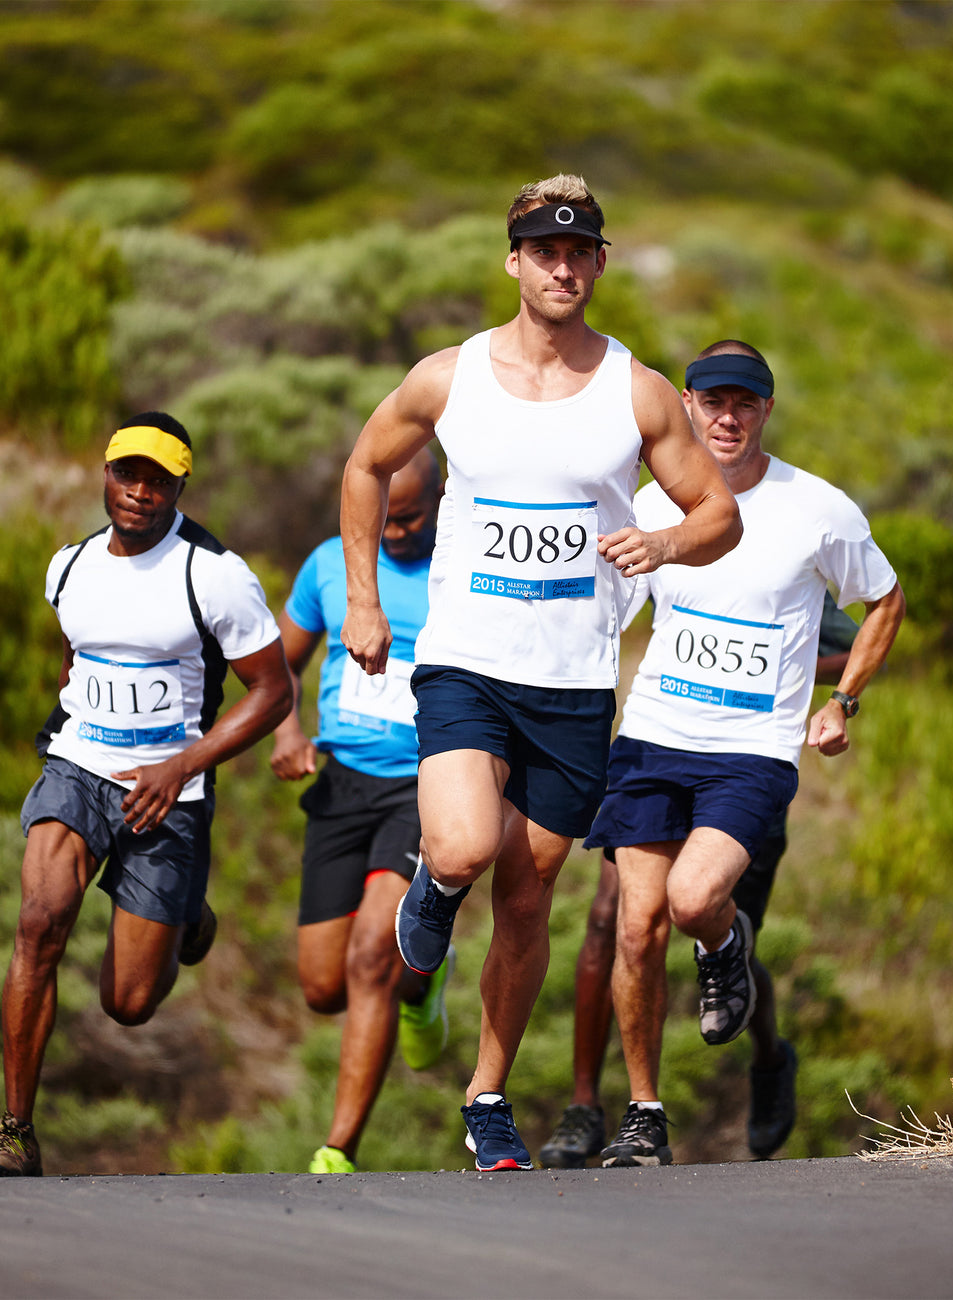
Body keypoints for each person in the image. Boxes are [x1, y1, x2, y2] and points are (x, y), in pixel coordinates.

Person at [338, 175, 741, 1172]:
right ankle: (430, 894)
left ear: (598, 262)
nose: (562, 267)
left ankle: (485, 1093)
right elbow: (362, 467)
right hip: (466, 664)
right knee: (465, 845)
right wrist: (362, 599)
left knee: (525, 902)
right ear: (513, 260)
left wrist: (666, 544)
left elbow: (717, 514)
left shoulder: (637, 389)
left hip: (570, 686)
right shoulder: (451, 377)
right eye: (543, 250)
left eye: (580, 251)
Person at [587, 341, 906, 1167]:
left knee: (696, 902)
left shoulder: (819, 509)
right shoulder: (651, 504)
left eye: (745, 404)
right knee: (634, 929)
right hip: (654, 736)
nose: (727, 418)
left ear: (767, 411)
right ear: (687, 405)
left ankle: (728, 949)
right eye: (712, 402)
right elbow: (605, 619)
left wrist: (843, 702)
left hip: (752, 751)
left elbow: (885, 599)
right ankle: (644, 1115)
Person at [0, 413, 292, 1177]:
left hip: (170, 790)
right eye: (127, 473)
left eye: (157, 479)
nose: (139, 491)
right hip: (78, 766)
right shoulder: (68, 567)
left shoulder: (214, 575)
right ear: (105, 474)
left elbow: (272, 693)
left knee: (128, 1003)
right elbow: (78, 652)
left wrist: (182, 765)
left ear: (180, 486)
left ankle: (187, 913)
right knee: (37, 925)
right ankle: (15, 1130)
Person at [539, 594, 859, 1168]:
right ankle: (589, 1106)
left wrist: (792, 667)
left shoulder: (786, 550)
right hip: (657, 751)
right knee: (614, 920)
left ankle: (768, 1057)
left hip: (746, 767)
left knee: (723, 930)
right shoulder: (664, 529)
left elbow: (857, 643)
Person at [272, 449, 455, 1174]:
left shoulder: (461, 572)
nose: (397, 529)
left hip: (426, 785)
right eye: (386, 513)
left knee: (372, 952)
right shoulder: (330, 564)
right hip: (343, 783)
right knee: (323, 987)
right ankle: (424, 979)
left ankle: (338, 1148)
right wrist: (287, 729)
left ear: (443, 497)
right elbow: (279, 663)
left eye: (411, 515)